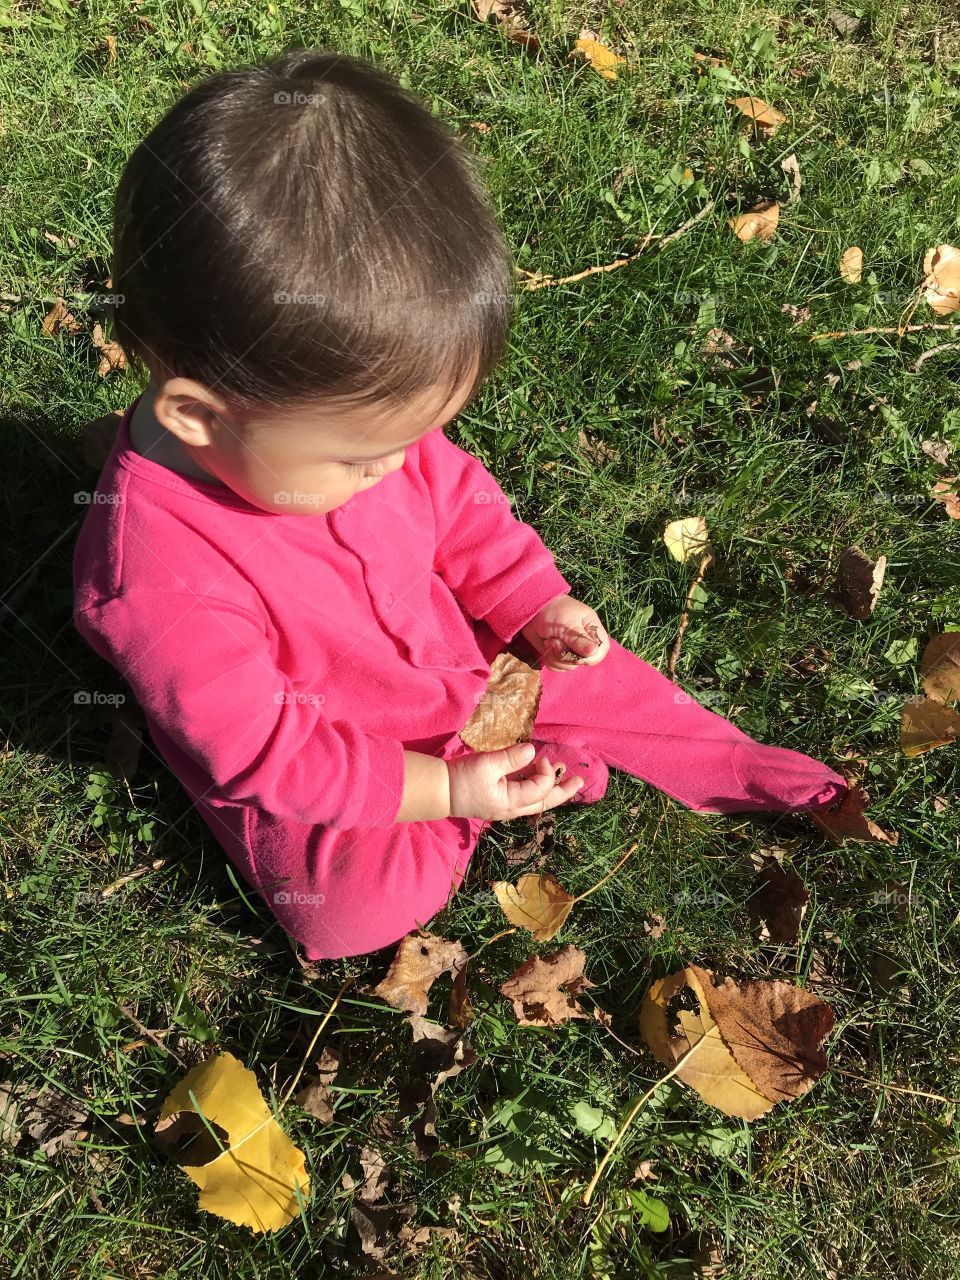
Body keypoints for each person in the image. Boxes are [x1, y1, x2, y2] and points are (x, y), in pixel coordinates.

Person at [72, 49, 848, 961]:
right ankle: (499, 783)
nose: (402, 466)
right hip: (336, 745)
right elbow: (272, 756)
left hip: (452, 657)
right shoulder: (157, 581)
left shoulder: (336, 429)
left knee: (594, 670)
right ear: (199, 418)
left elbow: (460, 506)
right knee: (349, 907)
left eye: (415, 436)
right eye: (367, 460)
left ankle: (753, 775)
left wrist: (532, 602)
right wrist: (451, 794)